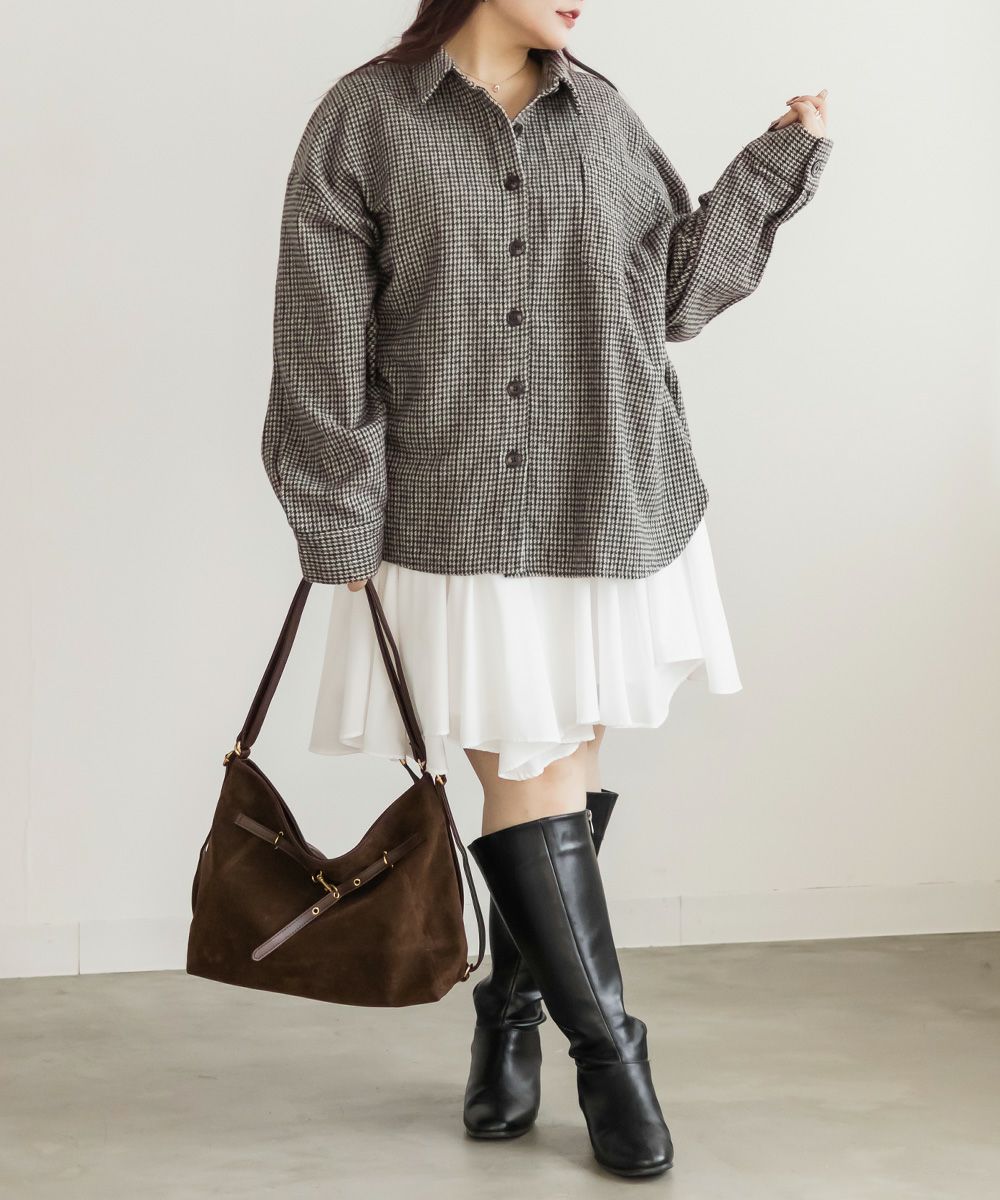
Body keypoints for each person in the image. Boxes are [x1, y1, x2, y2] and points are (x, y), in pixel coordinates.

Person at [260, 0, 833, 1178]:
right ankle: (612, 1057)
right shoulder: (364, 120)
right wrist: (335, 514)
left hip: (603, 497)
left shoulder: (601, 117)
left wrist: (778, 163)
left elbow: (670, 295)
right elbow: (320, 341)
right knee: (531, 774)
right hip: (452, 513)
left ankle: (508, 1021)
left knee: (558, 772)